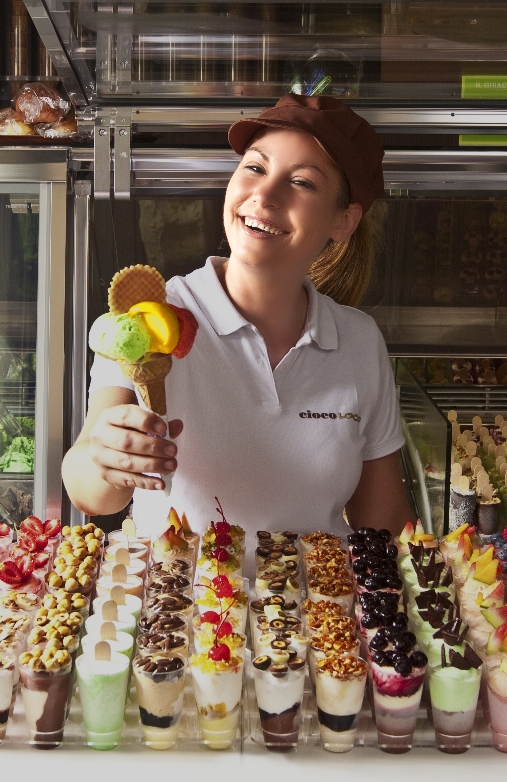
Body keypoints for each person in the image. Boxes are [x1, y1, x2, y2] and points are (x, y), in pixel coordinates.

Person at [62, 94, 415, 565]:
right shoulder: (151, 317)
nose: (265, 196)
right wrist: (106, 457)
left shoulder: (358, 340)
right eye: (254, 167)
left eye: (302, 182)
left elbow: (383, 521)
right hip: (182, 617)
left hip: (317, 622)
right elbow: (92, 494)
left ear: (344, 220)